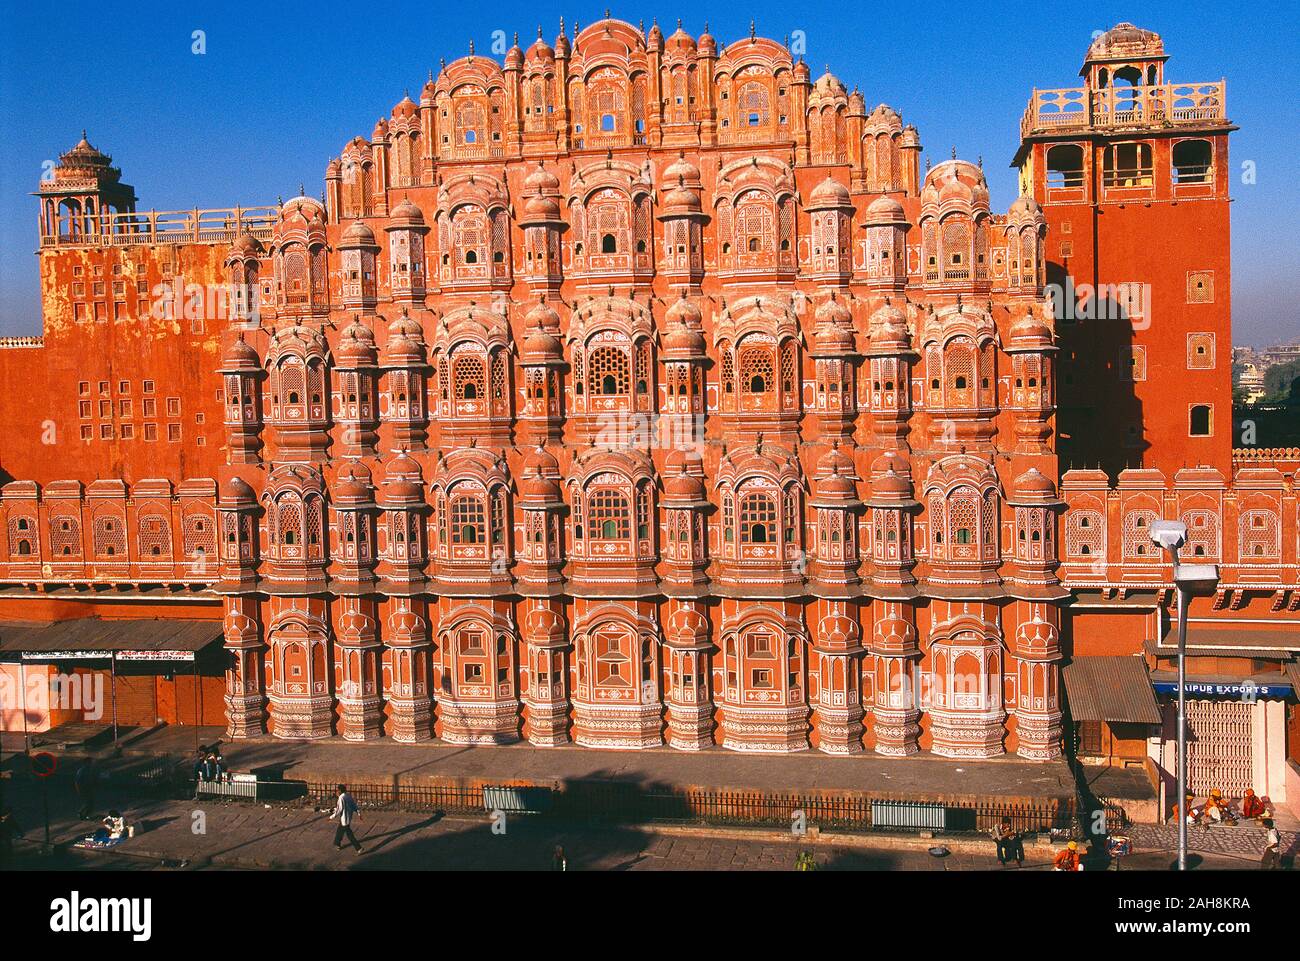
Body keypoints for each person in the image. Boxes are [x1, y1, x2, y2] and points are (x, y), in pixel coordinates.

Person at [329, 784, 362, 853]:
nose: (337, 792)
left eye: (337, 790)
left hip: (344, 818)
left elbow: (339, 810)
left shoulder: (341, 798)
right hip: (348, 816)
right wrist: (358, 813)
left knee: (349, 834)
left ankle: (358, 848)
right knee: (340, 830)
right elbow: (353, 805)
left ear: (340, 790)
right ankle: (337, 843)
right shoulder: (348, 796)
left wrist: (331, 817)